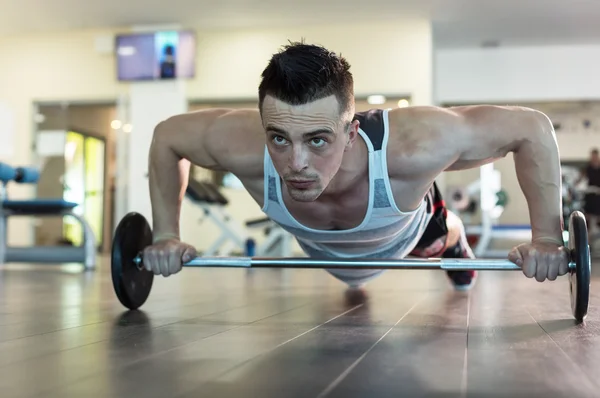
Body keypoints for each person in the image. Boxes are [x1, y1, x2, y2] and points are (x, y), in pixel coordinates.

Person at [142, 41, 569, 291]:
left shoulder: (415, 143)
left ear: (351, 132)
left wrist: (548, 238)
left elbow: (532, 128)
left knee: (440, 233)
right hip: (323, 252)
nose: (296, 164)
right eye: (278, 138)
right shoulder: (237, 143)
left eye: (317, 140)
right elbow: (166, 137)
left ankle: (452, 241)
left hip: (409, 237)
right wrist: (165, 235)